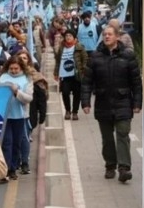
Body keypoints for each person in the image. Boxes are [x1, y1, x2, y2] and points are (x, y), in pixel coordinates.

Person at [81, 25, 142, 183]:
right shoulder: (95, 57)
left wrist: (137, 102)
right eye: (104, 34)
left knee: (122, 134)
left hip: (123, 102)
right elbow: (87, 82)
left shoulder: (128, 56)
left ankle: (124, 168)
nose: (106, 37)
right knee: (107, 138)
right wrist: (86, 102)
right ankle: (110, 165)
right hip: (103, 103)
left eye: (109, 34)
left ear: (117, 37)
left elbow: (136, 83)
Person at [0, 55, 33, 181]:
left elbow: (28, 98)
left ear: (21, 68)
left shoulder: (26, 79)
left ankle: (13, 167)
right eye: (11, 68)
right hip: (5, 116)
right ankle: (5, 170)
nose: (13, 71)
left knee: (16, 143)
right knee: (7, 142)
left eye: (16, 69)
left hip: (19, 116)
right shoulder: (2, 78)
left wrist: (17, 92)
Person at [54, 30, 88, 121]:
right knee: (65, 92)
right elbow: (58, 61)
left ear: (74, 37)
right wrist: (56, 73)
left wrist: (83, 70)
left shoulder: (79, 47)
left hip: (76, 75)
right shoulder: (61, 48)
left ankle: (75, 112)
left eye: (70, 35)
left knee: (77, 94)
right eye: (66, 36)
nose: (68, 37)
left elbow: (85, 59)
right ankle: (68, 110)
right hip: (65, 75)